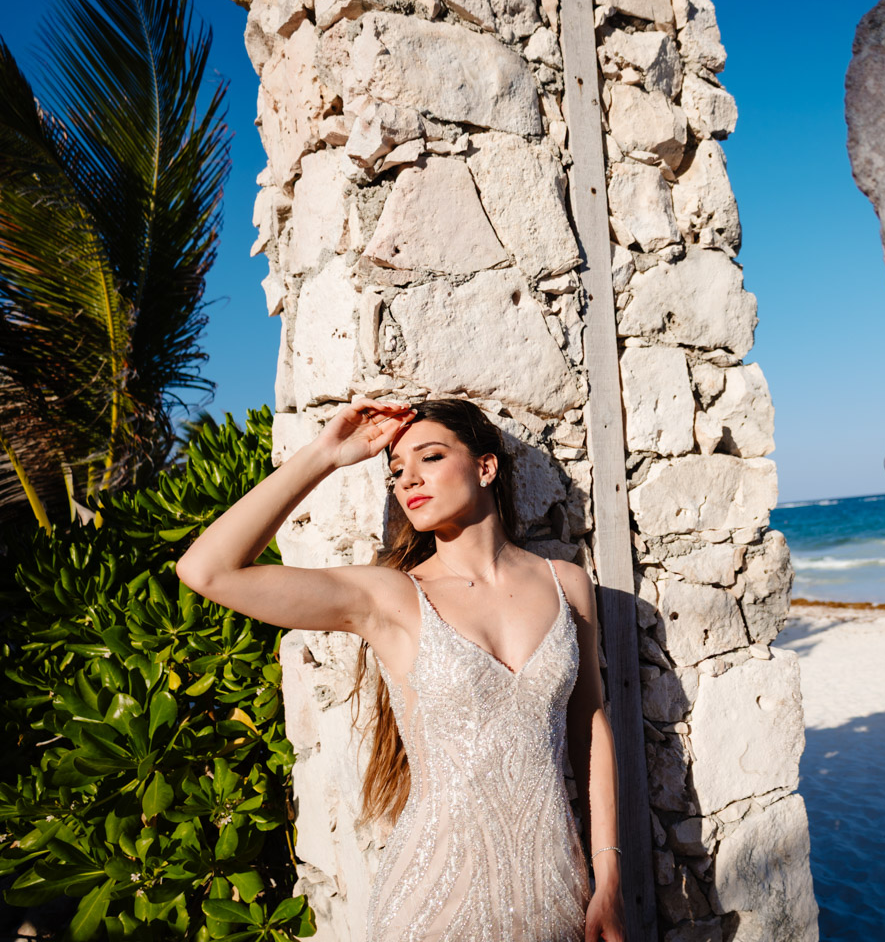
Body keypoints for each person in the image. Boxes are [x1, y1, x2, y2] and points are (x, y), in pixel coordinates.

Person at [176, 396, 627, 942]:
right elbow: (207, 570)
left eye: (430, 458)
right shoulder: (392, 597)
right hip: (432, 904)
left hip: (557, 894)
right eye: (395, 471)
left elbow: (591, 726)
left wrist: (610, 877)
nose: (407, 478)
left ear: (486, 466)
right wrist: (325, 453)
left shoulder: (565, 583)